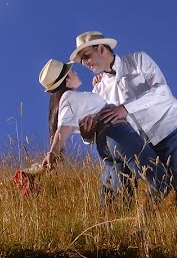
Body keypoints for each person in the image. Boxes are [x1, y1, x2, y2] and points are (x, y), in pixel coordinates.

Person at [68, 31, 177, 207]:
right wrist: (87, 136)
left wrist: (125, 108)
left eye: (86, 56)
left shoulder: (139, 60)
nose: (84, 63)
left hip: (173, 126)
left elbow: (162, 91)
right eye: (81, 61)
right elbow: (105, 129)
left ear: (101, 48)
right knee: (160, 184)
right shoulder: (98, 90)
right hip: (144, 143)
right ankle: (148, 229)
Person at [38, 59, 167, 202]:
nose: (75, 72)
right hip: (118, 135)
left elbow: (88, 118)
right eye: (71, 72)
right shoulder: (69, 98)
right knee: (160, 178)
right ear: (67, 82)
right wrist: (53, 152)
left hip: (106, 146)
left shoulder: (74, 100)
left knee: (120, 197)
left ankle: (111, 219)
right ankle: (143, 213)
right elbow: (63, 128)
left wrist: (99, 87)